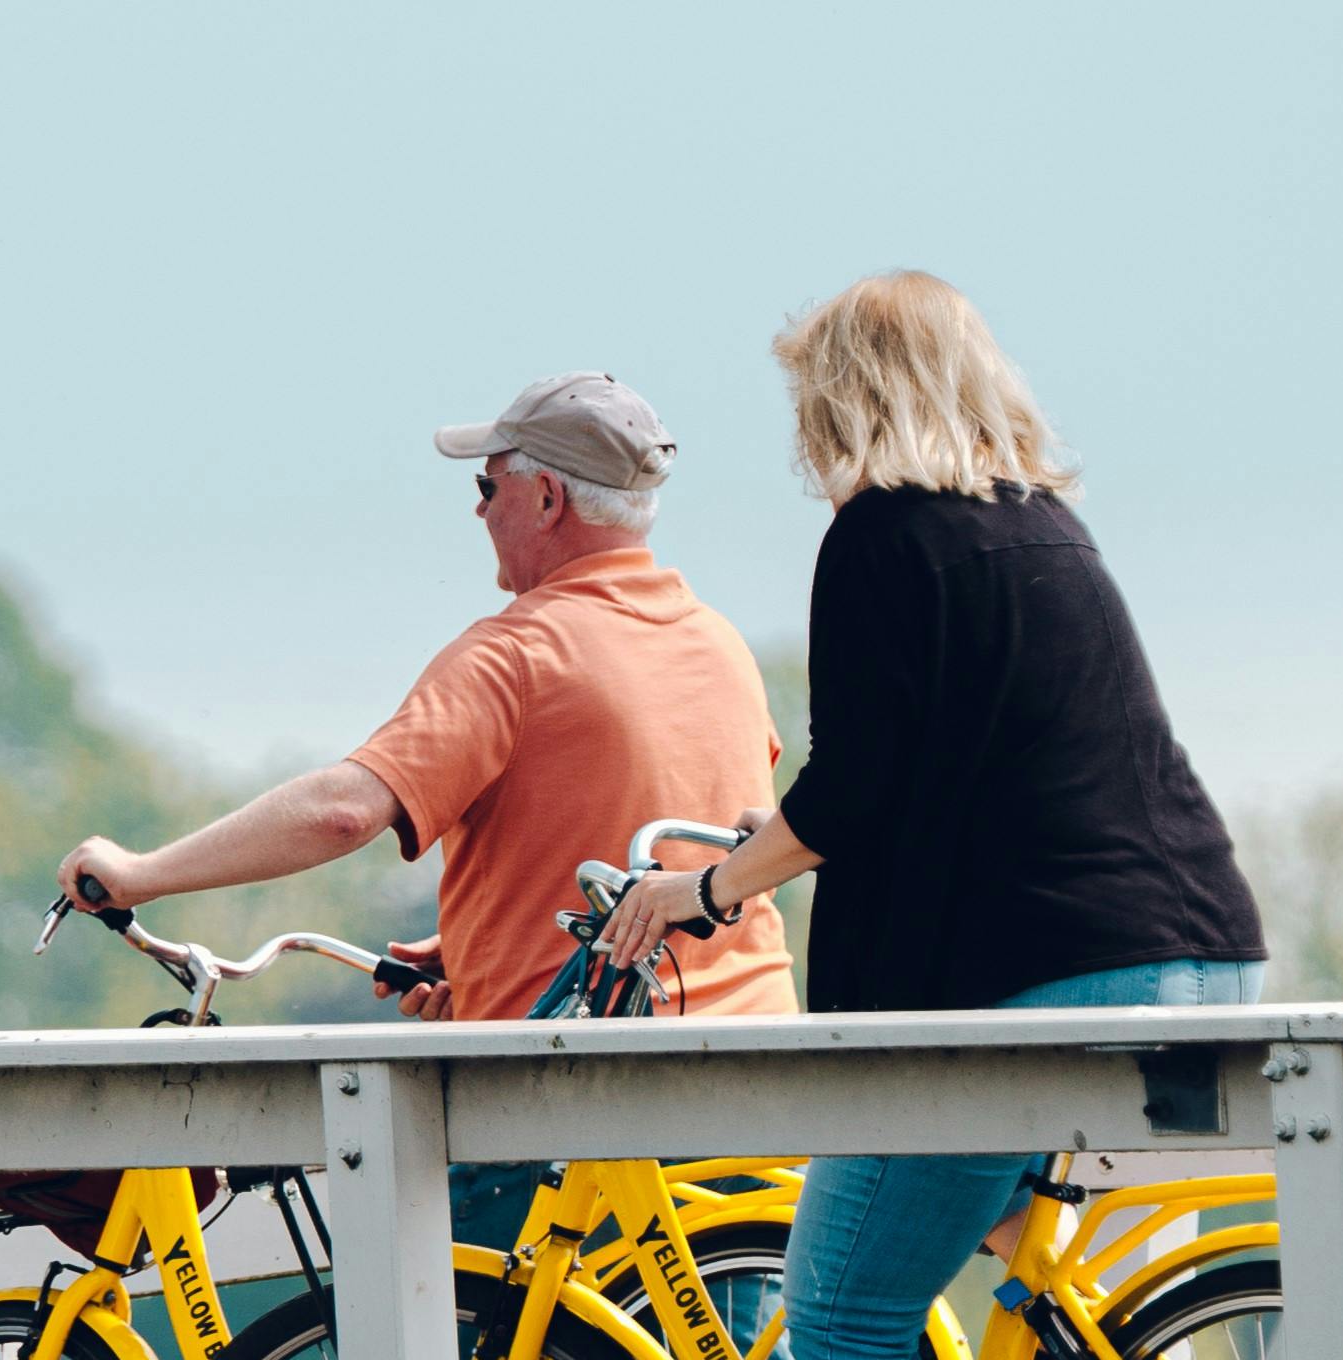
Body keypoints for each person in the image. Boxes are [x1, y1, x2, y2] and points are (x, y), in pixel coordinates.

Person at [592, 272, 1269, 1360]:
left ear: (845, 394)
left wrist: (702, 890)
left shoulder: (883, 537)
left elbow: (857, 788)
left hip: (1043, 979)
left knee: (834, 1306)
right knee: (937, 1284)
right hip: (1187, 950)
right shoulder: (1047, 528)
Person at [55, 371, 797, 1250]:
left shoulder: (517, 653)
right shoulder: (716, 645)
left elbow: (343, 809)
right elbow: (676, 830)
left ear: (548, 497)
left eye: (487, 487)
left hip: (569, 1116)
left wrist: (142, 872)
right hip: (755, 1093)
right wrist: (491, 944)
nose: (477, 511)